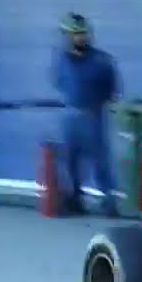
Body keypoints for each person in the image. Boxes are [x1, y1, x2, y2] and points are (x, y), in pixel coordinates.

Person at [52, 13, 119, 217]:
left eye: (83, 33)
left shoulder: (101, 60)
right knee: (70, 159)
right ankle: (75, 198)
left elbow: (111, 88)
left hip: (93, 114)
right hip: (71, 113)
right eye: (75, 34)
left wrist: (98, 103)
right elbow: (59, 82)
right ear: (67, 36)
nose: (80, 37)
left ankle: (108, 200)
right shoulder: (62, 60)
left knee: (99, 159)